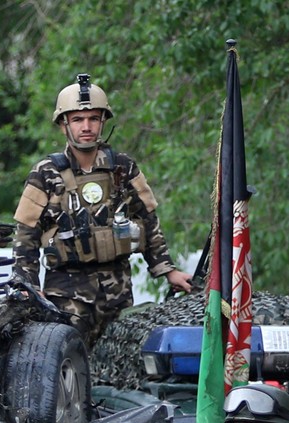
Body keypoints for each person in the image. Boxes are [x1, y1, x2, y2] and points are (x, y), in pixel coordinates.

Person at [12, 74, 192, 346]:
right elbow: (25, 236)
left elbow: (147, 221)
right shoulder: (45, 173)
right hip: (66, 296)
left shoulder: (123, 167)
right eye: (77, 119)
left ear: (103, 122)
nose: (87, 127)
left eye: (93, 119)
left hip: (118, 292)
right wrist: (28, 287)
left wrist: (168, 270)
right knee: (68, 372)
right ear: (64, 125)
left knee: (119, 369)